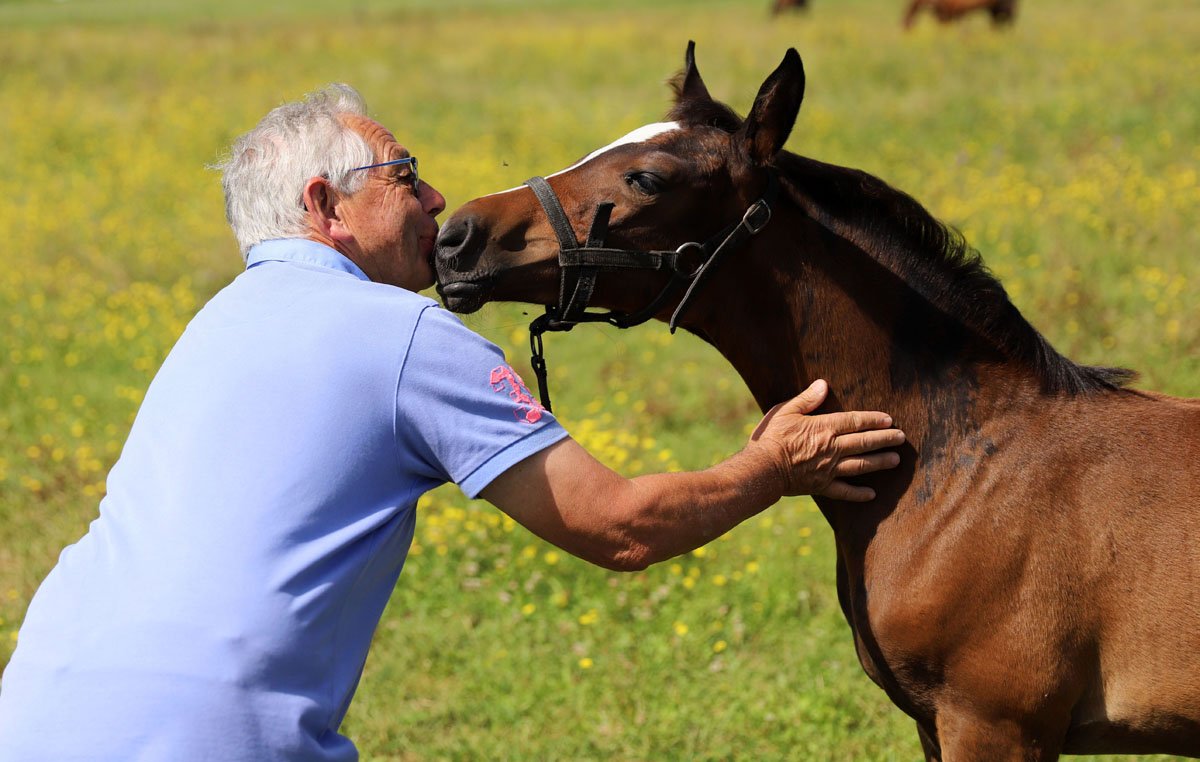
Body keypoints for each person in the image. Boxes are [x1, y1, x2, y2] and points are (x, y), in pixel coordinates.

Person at [0, 84, 904, 760]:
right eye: (405, 177)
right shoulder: (401, 333)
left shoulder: (214, 321)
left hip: (34, 708)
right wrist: (772, 464)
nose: (437, 200)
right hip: (213, 736)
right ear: (324, 205)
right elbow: (620, 527)